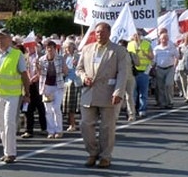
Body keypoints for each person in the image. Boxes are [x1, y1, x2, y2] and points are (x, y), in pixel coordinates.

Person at [76, 22, 130, 168]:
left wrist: (118, 91)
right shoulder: (87, 49)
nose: (100, 34)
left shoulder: (118, 51)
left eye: (103, 32)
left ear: (109, 33)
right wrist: (83, 77)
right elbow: (79, 68)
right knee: (85, 125)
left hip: (109, 93)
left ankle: (105, 156)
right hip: (89, 92)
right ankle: (92, 153)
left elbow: (123, 73)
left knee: (107, 127)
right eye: (97, 32)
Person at [0, 29, 30, 164]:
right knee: (1, 124)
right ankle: (6, 150)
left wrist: (27, 93)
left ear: (9, 39)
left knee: (9, 122)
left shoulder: (17, 54)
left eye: (2, 38)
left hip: (13, 94)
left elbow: (24, 74)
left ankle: (11, 153)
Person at [36, 38, 66, 138]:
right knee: (48, 109)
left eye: (51, 48)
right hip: (46, 86)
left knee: (56, 108)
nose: (50, 50)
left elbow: (65, 72)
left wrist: (65, 64)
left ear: (55, 49)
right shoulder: (41, 59)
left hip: (58, 86)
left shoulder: (60, 59)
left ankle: (59, 130)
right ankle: (51, 131)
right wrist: (37, 68)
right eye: (48, 48)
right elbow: (40, 74)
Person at [127, 31, 153, 118]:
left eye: (137, 35)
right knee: (133, 93)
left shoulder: (146, 44)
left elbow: (151, 57)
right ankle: (133, 109)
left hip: (144, 71)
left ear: (141, 36)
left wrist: (144, 53)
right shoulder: (130, 44)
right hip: (133, 72)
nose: (136, 36)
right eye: (134, 35)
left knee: (143, 93)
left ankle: (142, 110)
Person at [152, 30, 178, 109]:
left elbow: (177, 56)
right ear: (160, 39)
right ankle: (162, 103)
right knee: (160, 87)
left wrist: (174, 65)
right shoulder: (156, 49)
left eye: (166, 38)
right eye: (163, 38)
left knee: (168, 84)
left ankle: (170, 101)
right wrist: (153, 68)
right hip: (159, 68)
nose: (164, 40)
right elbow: (154, 60)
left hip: (169, 68)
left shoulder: (172, 47)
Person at [62, 41, 81, 132]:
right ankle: (72, 124)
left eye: (69, 47)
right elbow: (64, 72)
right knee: (69, 106)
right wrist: (64, 61)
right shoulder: (63, 58)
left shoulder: (78, 56)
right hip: (68, 83)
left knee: (80, 105)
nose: (67, 49)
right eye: (66, 48)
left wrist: (77, 63)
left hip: (78, 82)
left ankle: (83, 123)